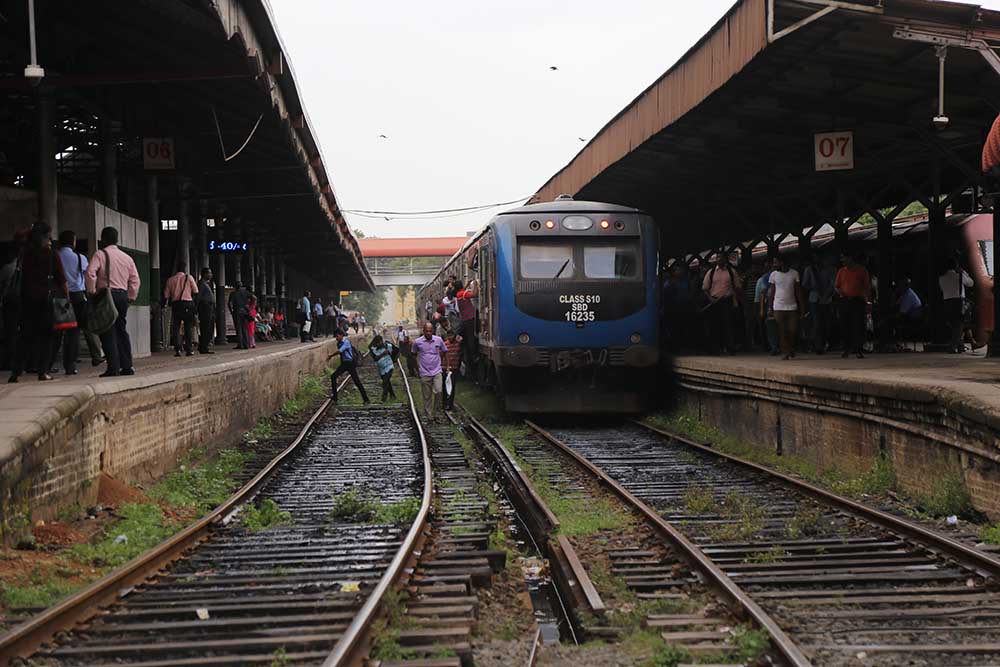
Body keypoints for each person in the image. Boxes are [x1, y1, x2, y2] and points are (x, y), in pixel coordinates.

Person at [9, 223, 67, 382]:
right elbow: (61, 279)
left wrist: (32, 229)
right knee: (47, 337)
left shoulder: (25, 254)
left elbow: (17, 236)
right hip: (46, 301)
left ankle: (16, 372)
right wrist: (66, 298)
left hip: (27, 300)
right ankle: (43, 371)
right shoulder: (52, 255)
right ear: (45, 237)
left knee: (25, 336)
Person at [86, 226, 140, 378]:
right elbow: (135, 279)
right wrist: (131, 296)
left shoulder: (100, 254)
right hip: (122, 295)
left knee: (107, 330)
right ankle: (127, 366)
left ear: (103, 239)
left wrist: (91, 291)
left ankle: (113, 367)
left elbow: (90, 273)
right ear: (116, 239)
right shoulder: (126, 257)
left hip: (106, 295)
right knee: (121, 329)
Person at [55, 230, 103, 374]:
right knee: (76, 331)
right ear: (73, 242)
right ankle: (71, 365)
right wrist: (92, 292)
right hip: (77, 297)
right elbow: (87, 275)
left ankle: (49, 362)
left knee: (57, 332)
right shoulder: (80, 257)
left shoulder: (55, 256)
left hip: (59, 297)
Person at [701, 252, 742, 355]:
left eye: (721, 258)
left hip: (727, 300)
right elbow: (705, 288)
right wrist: (711, 299)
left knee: (728, 325)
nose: (719, 260)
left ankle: (729, 347)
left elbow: (737, 287)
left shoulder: (731, 272)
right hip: (714, 301)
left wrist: (736, 299)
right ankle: (716, 348)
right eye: (717, 258)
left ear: (725, 259)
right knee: (715, 325)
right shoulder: (711, 273)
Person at [834, 252, 871, 359]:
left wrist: (868, 301)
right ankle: (847, 348)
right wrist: (841, 292)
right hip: (845, 300)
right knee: (845, 325)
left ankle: (858, 349)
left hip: (857, 300)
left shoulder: (862, 271)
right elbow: (836, 286)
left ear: (851, 258)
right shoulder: (841, 271)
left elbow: (867, 287)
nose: (843, 261)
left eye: (844, 259)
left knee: (858, 325)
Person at [768, 255, 803, 360]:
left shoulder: (794, 273)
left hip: (792, 306)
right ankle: (786, 351)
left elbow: (798, 291)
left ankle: (791, 347)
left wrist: (802, 307)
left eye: (775, 262)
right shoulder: (773, 275)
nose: (774, 265)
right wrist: (770, 307)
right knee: (781, 331)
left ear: (782, 262)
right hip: (778, 306)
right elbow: (772, 292)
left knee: (792, 330)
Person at [411, 321, 447, 422]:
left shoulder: (438, 340)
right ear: (423, 331)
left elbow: (445, 351)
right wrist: (417, 367)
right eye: (427, 331)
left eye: (430, 331)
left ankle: (437, 413)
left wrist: (444, 364)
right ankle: (429, 415)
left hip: (437, 371)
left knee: (439, 391)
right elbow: (413, 354)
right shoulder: (417, 342)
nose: (428, 333)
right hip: (424, 372)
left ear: (433, 331)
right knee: (427, 395)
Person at [802, 255, 836, 354]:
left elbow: (833, 284)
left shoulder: (830, 269)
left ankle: (824, 342)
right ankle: (818, 346)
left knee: (826, 323)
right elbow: (805, 284)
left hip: (826, 299)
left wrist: (827, 294)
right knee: (817, 323)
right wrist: (814, 287)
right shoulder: (809, 270)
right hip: (814, 299)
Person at [164, 261, 198, 357]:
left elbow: (166, 295)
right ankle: (189, 349)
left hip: (176, 305)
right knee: (188, 327)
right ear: (185, 268)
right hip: (187, 304)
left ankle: (178, 349)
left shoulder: (170, 280)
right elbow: (196, 291)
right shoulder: (189, 278)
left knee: (176, 327)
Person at [939, 258, 973, 353]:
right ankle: (952, 346)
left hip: (947, 302)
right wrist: (964, 272)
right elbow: (971, 283)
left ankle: (960, 346)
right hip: (958, 302)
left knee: (954, 326)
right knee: (959, 325)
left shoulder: (941, 278)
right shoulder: (960, 275)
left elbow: (943, 289)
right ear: (956, 266)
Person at [330, 329, 370, 404]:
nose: (336, 338)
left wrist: (331, 356)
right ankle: (335, 397)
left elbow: (340, 351)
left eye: (337, 336)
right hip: (344, 364)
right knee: (333, 376)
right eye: (335, 336)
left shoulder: (346, 342)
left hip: (350, 364)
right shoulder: (339, 343)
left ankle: (366, 399)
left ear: (341, 335)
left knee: (357, 381)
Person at [754, 260, 779, 355]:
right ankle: (774, 346)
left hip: (779, 302)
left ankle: (778, 346)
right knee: (771, 326)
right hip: (770, 304)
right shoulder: (765, 278)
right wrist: (761, 308)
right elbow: (763, 294)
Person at [370, 334, 397, 402]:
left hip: (389, 366)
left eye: (380, 341)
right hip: (381, 369)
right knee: (387, 381)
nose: (379, 343)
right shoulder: (375, 350)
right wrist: (383, 354)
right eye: (377, 342)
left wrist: (394, 359)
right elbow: (375, 359)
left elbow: (396, 351)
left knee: (385, 382)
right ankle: (393, 395)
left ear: (382, 341)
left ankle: (383, 399)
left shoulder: (388, 346)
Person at [196, 267, 215, 354]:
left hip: (208, 307)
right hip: (205, 307)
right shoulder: (201, 284)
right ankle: (204, 347)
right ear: (204, 274)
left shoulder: (206, 284)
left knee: (209, 327)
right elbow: (198, 296)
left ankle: (203, 346)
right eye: (209, 273)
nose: (211, 275)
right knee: (205, 327)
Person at [442, 330, 463, 411]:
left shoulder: (458, 344)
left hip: (454, 368)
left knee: (452, 386)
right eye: (449, 336)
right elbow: (441, 355)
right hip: (445, 368)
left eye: (452, 335)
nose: (450, 337)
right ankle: (444, 403)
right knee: (444, 386)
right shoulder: (445, 344)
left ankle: (450, 404)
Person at [228, 282, 251, 350]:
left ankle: (240, 344)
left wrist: (231, 311)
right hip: (244, 312)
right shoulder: (246, 292)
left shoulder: (233, 294)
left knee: (238, 328)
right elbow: (254, 298)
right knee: (244, 328)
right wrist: (249, 307)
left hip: (237, 312)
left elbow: (229, 303)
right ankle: (246, 344)